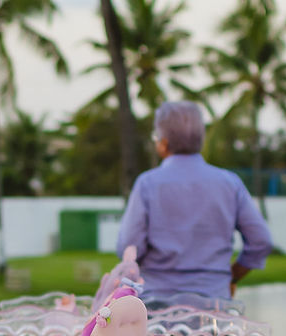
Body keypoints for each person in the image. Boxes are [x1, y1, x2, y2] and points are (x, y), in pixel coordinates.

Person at [115, 101, 272, 306]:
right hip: (215, 305)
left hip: (157, 306)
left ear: (163, 143)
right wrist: (231, 277)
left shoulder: (147, 184)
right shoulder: (229, 183)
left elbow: (129, 248)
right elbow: (261, 241)